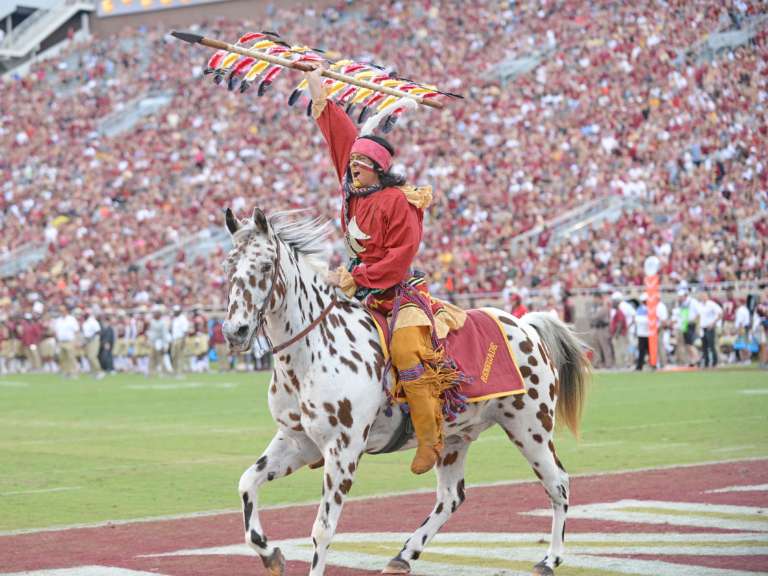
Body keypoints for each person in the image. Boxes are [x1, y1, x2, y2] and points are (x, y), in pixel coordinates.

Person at [307, 66, 466, 474]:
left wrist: (356, 277)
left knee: (406, 350)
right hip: (356, 288)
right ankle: (328, 430)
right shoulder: (352, 187)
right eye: (352, 163)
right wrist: (317, 85)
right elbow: (338, 134)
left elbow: (400, 257)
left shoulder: (399, 201)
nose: (353, 168)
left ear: (378, 168)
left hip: (396, 292)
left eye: (361, 164)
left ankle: (430, 437)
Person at [698, 291, 723, 368]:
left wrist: (713, 323)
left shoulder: (711, 304)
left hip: (709, 327)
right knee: (704, 346)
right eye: (702, 296)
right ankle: (706, 362)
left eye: (704, 296)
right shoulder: (700, 305)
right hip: (702, 328)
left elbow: (720, 314)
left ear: (707, 296)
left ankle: (715, 362)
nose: (703, 297)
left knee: (711, 345)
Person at [53, 305, 80, 377]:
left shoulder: (71, 319)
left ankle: (74, 372)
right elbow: (56, 332)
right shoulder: (58, 320)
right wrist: (57, 341)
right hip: (61, 341)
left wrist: (77, 341)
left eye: (62, 311)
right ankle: (66, 372)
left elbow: (76, 331)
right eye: (60, 311)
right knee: (62, 357)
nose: (61, 312)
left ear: (66, 311)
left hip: (70, 341)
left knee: (71, 357)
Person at [590, 292, 614, 369]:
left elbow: (596, 316)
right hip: (596, 328)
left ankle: (608, 363)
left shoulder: (604, 306)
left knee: (605, 347)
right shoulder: (595, 307)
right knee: (596, 347)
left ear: (599, 298)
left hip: (603, 328)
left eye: (595, 298)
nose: (594, 300)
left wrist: (592, 316)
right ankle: (597, 363)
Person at [609, 292, 628, 370]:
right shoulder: (617, 312)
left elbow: (620, 324)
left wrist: (616, 334)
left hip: (619, 335)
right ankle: (620, 365)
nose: (612, 304)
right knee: (618, 350)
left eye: (613, 303)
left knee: (619, 350)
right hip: (619, 334)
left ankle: (621, 365)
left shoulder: (619, 312)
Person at [81, 308, 102, 375]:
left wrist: (91, 337)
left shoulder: (93, 321)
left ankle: (99, 371)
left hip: (94, 340)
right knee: (89, 357)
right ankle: (93, 371)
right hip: (87, 340)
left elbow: (98, 331)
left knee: (92, 356)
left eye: (86, 314)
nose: (84, 315)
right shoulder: (85, 322)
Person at [170, 305, 189, 374]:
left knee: (180, 356)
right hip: (174, 340)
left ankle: (180, 372)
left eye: (175, 311)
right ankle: (175, 371)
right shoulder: (175, 319)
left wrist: (183, 341)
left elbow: (185, 331)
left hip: (180, 339)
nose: (174, 312)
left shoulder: (183, 319)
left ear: (179, 311)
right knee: (174, 356)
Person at [634, 295, 650, 371]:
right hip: (642, 333)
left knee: (647, 351)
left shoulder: (649, 309)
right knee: (642, 351)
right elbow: (638, 320)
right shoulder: (640, 309)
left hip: (647, 333)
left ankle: (651, 364)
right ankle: (640, 366)